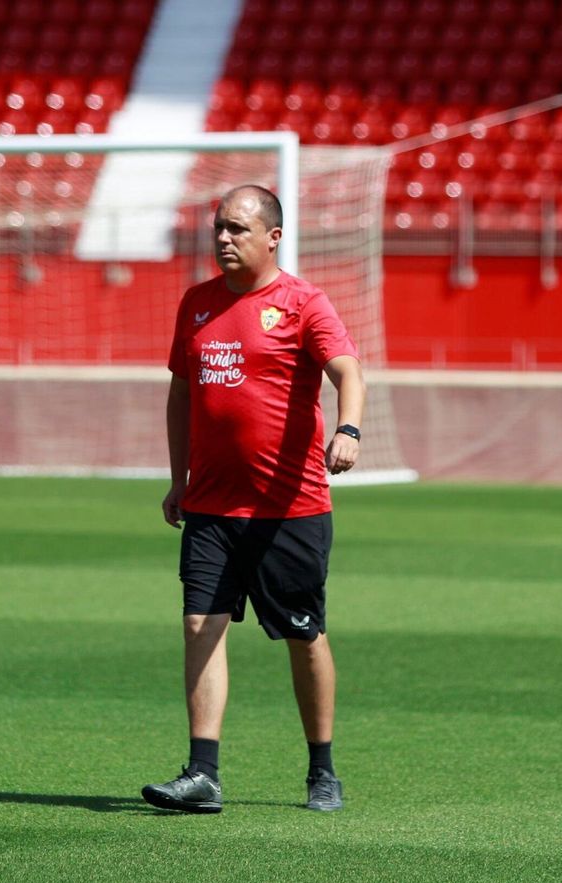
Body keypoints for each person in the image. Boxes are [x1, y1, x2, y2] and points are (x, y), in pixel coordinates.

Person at [141, 185, 364, 814]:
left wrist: (347, 428)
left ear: (273, 237)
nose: (223, 239)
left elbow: (347, 369)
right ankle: (203, 773)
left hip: (288, 510)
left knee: (304, 634)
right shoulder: (197, 305)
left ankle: (322, 768)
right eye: (218, 227)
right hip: (211, 507)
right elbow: (182, 395)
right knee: (199, 625)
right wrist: (179, 478)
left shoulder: (303, 303)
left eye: (237, 229)